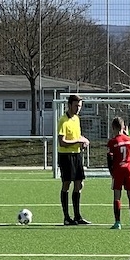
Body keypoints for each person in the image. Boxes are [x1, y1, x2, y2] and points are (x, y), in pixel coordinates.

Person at [57, 94, 90, 225]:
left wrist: (84, 141)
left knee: (79, 184)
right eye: (76, 105)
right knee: (66, 184)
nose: (78, 108)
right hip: (66, 156)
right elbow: (62, 142)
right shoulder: (63, 120)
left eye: (80, 106)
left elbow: (77, 136)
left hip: (77, 155)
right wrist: (77, 141)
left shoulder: (77, 119)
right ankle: (66, 217)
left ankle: (77, 216)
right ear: (69, 105)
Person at [105, 117, 130, 230]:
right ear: (123, 127)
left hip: (118, 170)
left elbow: (109, 159)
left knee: (117, 196)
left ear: (113, 127)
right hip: (129, 170)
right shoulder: (129, 139)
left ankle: (118, 222)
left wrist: (111, 172)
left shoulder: (112, 142)